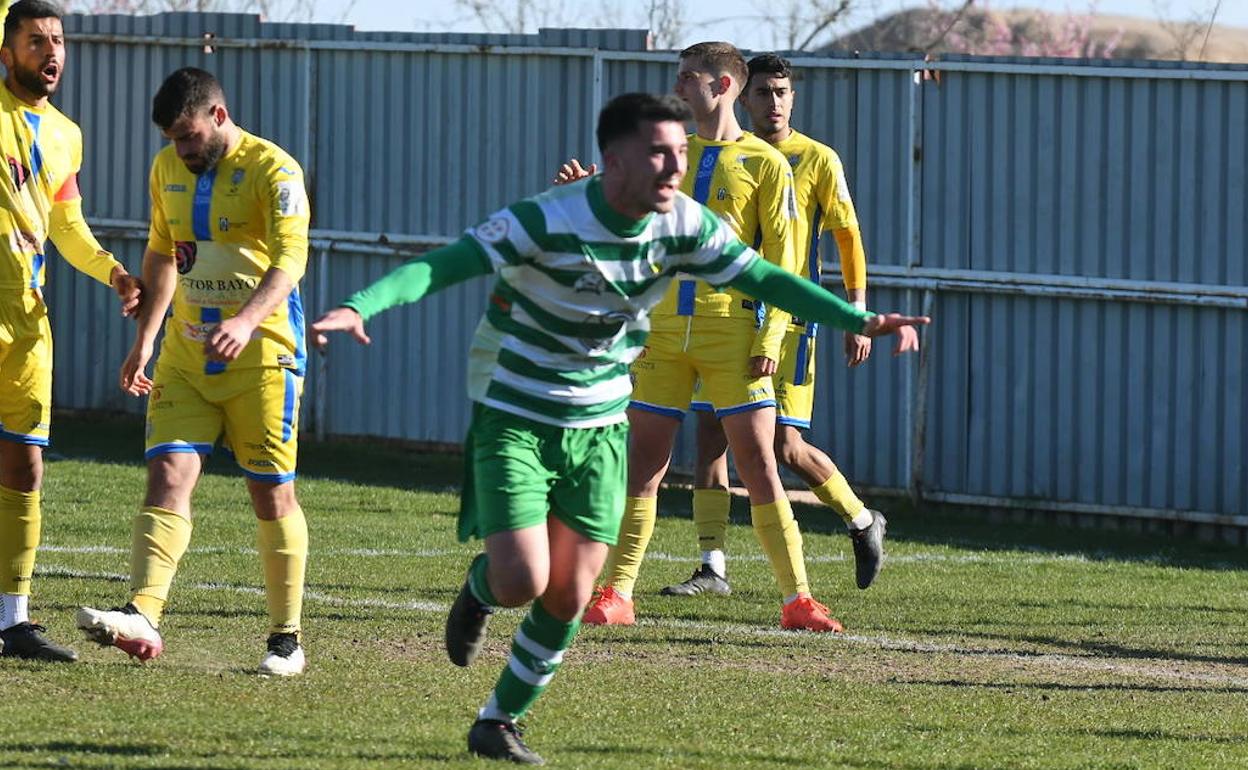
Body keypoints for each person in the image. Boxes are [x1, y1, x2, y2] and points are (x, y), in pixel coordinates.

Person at [312, 91, 928, 765]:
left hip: (601, 426)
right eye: (659, 154)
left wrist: (856, 318)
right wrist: (358, 304)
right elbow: (443, 264)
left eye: (682, 154)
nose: (675, 168)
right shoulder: (546, 221)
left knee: (573, 592)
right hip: (518, 414)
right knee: (521, 579)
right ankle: (482, 588)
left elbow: (766, 277)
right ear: (613, 162)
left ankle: (497, 720)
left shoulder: (685, 224)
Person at [574, 42, 845, 633]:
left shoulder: (765, 163)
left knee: (758, 465)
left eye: (688, 78)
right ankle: (616, 594)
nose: (678, 87)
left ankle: (798, 600)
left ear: (722, 85)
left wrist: (771, 336)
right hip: (663, 334)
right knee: (644, 464)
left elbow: (785, 261)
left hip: (733, 333)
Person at [76, 67, 311, 677]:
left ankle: (286, 639)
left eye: (187, 136)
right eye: (171, 140)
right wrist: (145, 341)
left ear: (219, 117)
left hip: (261, 355)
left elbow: (291, 260)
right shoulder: (166, 170)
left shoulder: (276, 171)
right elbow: (161, 254)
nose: (180, 150)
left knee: (270, 492)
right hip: (184, 351)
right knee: (168, 473)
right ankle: (144, 613)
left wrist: (248, 320)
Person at [664, 53, 887, 599]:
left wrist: (856, 314)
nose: (775, 102)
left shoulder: (815, 159)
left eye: (783, 92)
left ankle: (861, 519)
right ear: (742, 96)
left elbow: (847, 237)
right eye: (763, 92)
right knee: (709, 438)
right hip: (721, 319)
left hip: (787, 324)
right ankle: (712, 566)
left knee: (784, 447)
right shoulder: (717, 154)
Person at [0, 0, 142, 663]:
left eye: (57, 40)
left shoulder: (66, 134)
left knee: (25, 468)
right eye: (34, 41)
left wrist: (114, 271)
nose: (50, 52)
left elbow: (67, 228)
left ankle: (13, 621)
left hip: (26, 323)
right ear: (6, 51)